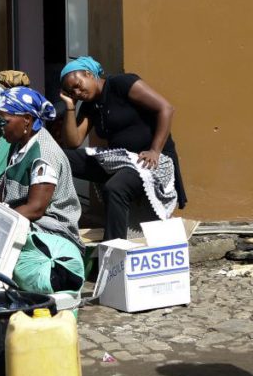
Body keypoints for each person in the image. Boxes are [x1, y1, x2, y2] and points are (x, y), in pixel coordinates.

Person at [0, 87, 85, 294]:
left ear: (27, 120)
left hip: (48, 229)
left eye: (5, 121)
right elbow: (3, 193)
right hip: (19, 217)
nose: (2, 127)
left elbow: (36, 209)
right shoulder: (18, 145)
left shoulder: (44, 154)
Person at [59, 56, 187, 241]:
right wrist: (70, 106)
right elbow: (73, 141)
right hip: (120, 161)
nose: (77, 92)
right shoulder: (89, 105)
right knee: (59, 156)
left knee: (114, 188)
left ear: (88, 74)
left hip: (149, 160)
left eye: (78, 85)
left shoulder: (122, 83)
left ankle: (114, 251)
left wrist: (155, 150)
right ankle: (55, 220)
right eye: (72, 91)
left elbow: (165, 108)